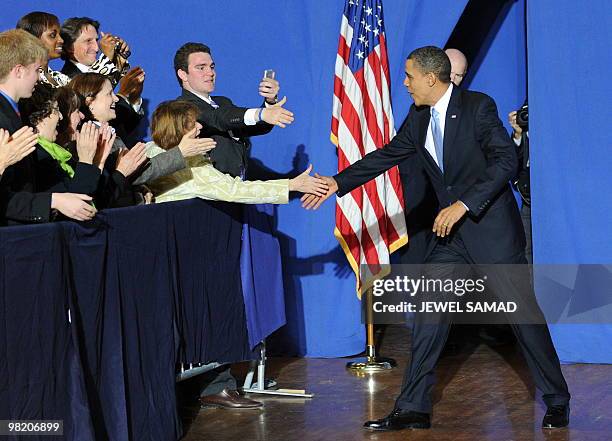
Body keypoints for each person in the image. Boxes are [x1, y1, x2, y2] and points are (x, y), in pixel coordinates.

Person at [302, 46, 570, 430]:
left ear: (431, 78)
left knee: (524, 317)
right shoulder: (418, 117)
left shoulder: (478, 106)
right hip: (450, 239)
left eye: (410, 76)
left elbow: (505, 161)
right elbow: (388, 154)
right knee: (428, 317)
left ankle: (558, 400)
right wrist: (337, 183)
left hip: (489, 231)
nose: (405, 83)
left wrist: (463, 204)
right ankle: (413, 407)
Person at [145, 100, 328, 203]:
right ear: (179, 130)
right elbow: (234, 190)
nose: (200, 127)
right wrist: (291, 185)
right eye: (194, 124)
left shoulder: (150, 150)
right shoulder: (192, 168)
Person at [0, 29, 96, 224]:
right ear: (18, 70)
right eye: (37, 70)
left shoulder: (14, 113)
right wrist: (53, 200)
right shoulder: (3, 118)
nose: (39, 78)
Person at [175, 42, 294, 178]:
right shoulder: (181, 107)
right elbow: (219, 118)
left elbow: (253, 126)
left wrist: (269, 102)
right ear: (183, 74)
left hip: (235, 190)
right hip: (208, 193)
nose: (210, 73)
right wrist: (261, 113)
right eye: (201, 68)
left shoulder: (222, 102)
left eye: (212, 67)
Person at [60, 16, 145, 144]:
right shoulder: (65, 81)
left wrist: (131, 98)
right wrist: (124, 94)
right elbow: (87, 116)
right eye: (88, 41)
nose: (96, 48)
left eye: (96, 40)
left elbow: (120, 124)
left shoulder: (104, 72)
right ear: (68, 47)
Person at [16, 11, 71, 87]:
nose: (61, 40)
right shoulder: (21, 78)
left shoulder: (63, 79)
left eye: (59, 34)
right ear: (33, 39)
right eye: (53, 35)